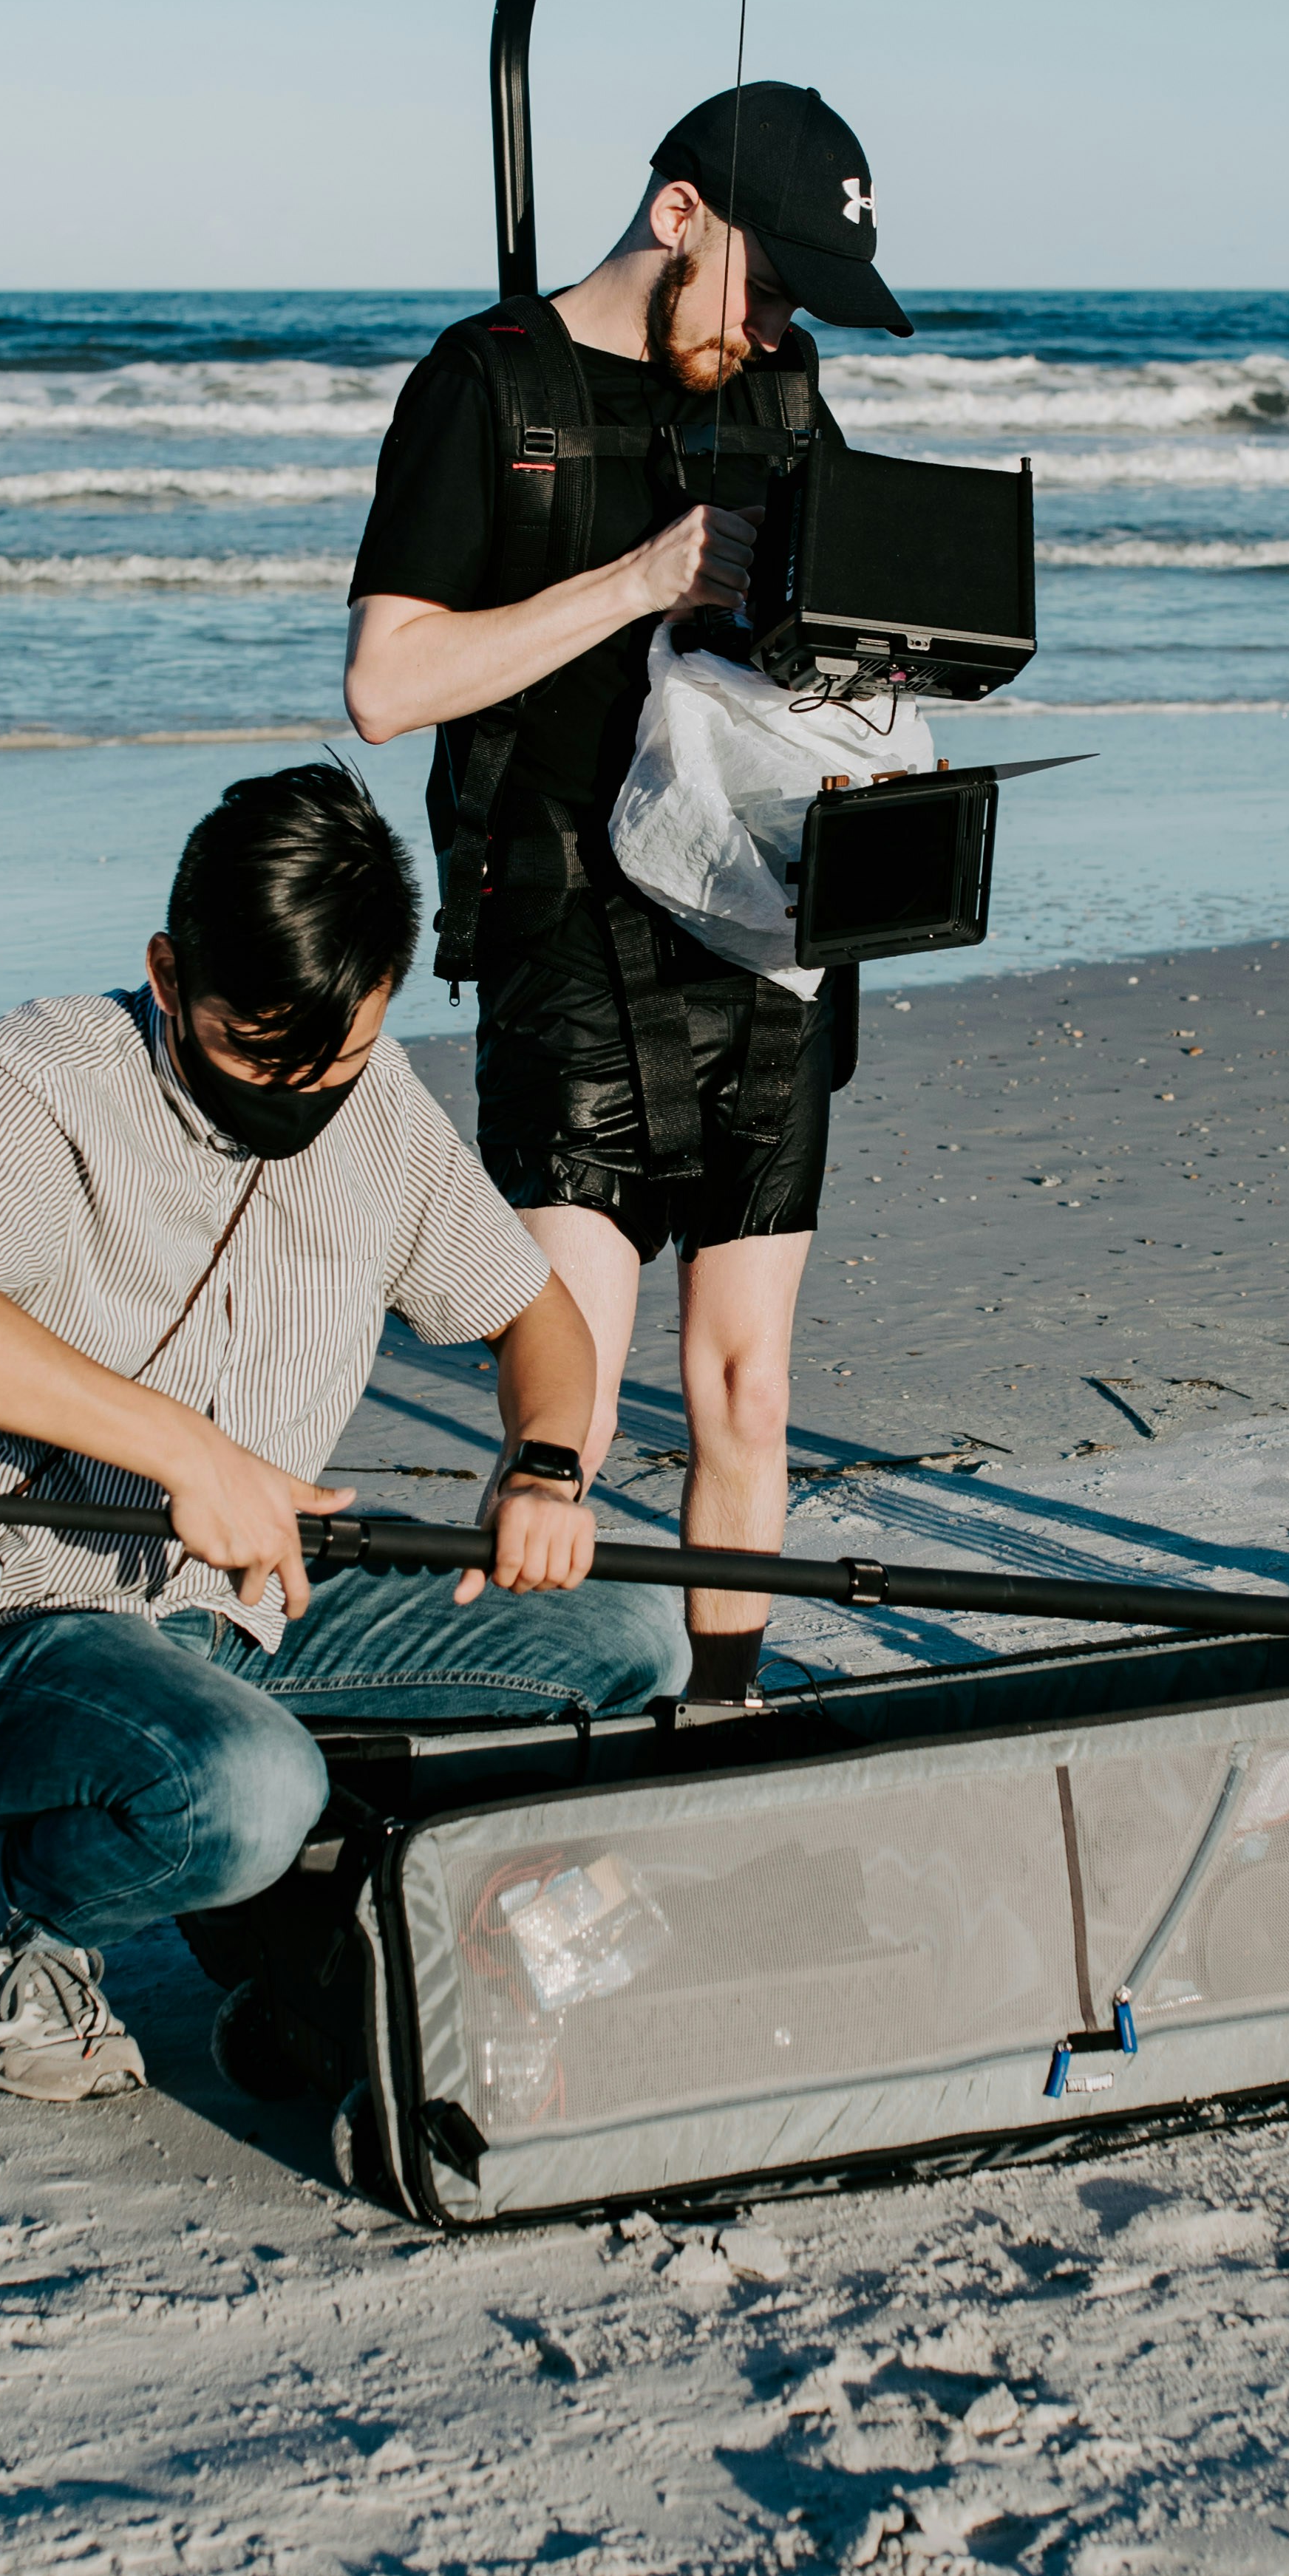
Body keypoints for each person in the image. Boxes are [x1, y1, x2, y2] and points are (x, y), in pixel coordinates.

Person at [0, 762, 685, 2105]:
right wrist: (187, 1449)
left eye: (330, 1065)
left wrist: (546, 1468)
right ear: (168, 975)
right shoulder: (48, 1079)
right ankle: (10, 1909)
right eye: (251, 1053)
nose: (295, 1098)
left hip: (264, 1603)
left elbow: (541, 1321)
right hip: (12, 1631)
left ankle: (346, 1926)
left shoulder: (381, 1107)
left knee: (636, 1644)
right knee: (243, 1792)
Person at [344, 81, 913, 1702]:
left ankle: (717, 1732)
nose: (786, 321)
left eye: (808, 301)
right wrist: (647, 578)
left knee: (746, 1390)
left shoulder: (786, 390)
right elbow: (388, 682)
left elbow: (831, 662)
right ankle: (528, 1734)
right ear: (679, 217)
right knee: (566, 1414)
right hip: (566, 939)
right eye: (772, 280)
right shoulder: (486, 384)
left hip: (766, 941)